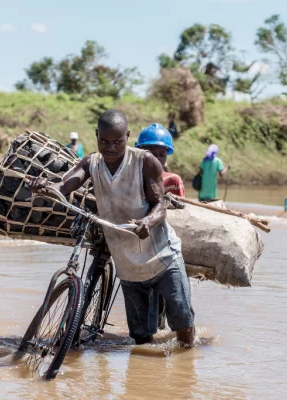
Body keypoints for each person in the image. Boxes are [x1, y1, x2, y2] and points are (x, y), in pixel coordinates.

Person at [29, 110, 195, 347]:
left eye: (117, 141)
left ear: (127, 136)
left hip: (162, 258)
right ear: (96, 136)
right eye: (104, 141)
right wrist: (45, 186)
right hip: (127, 265)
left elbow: (160, 205)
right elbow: (65, 184)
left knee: (183, 325)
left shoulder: (145, 162)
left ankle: (185, 374)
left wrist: (147, 221)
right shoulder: (91, 163)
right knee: (140, 338)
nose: (110, 147)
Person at [135, 123, 185, 330]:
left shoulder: (173, 179)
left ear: (167, 156)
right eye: (150, 153)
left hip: (164, 241)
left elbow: (183, 214)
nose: (156, 159)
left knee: (167, 295)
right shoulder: (134, 177)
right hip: (138, 239)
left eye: (161, 154)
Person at [135, 123, 184, 197]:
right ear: (139, 151)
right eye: (152, 154)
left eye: (161, 155)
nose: (157, 159)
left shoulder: (173, 181)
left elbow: (181, 206)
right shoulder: (132, 180)